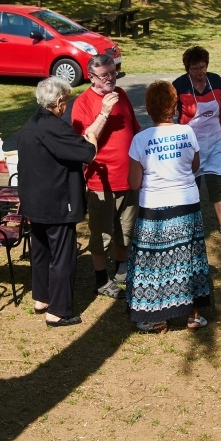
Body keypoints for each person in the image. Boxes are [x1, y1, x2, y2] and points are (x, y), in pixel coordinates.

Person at [18, 77, 117, 327]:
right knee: (62, 255)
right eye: (67, 102)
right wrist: (91, 137)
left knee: (41, 250)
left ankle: (42, 298)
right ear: (59, 102)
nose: (67, 107)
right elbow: (87, 153)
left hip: (34, 200)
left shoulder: (30, 124)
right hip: (57, 202)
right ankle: (58, 311)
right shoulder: (55, 127)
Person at [126, 81, 211, 333]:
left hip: (154, 207)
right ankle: (193, 315)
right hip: (187, 203)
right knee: (190, 258)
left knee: (153, 260)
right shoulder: (188, 133)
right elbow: (194, 166)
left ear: (148, 108)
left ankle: (155, 317)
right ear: (174, 106)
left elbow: (134, 183)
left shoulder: (140, 140)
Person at [70, 54, 140, 298]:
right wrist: (104, 112)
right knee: (101, 234)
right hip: (102, 181)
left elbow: (135, 129)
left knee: (126, 228)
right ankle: (101, 280)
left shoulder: (122, 94)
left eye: (113, 72)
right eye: (104, 75)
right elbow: (83, 142)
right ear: (91, 77)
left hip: (129, 176)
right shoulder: (82, 102)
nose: (111, 78)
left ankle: (122, 269)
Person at [173, 46, 221, 244]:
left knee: (216, 183)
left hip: (214, 140)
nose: (200, 72)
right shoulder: (179, 85)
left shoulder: (216, 81)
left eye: (202, 67)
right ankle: (190, 227)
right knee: (191, 186)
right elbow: (172, 115)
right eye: (195, 69)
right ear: (187, 68)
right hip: (190, 144)